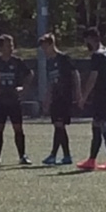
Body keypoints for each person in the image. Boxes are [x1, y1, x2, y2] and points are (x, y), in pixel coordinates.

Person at [77, 27, 106, 171]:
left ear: (90, 39)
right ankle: (91, 159)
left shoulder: (97, 55)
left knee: (104, 126)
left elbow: (93, 77)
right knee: (96, 125)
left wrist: (84, 97)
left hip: (101, 96)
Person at [0, 34, 34, 167]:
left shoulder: (17, 61)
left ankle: (22, 155)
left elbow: (29, 74)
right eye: (8, 45)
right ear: (1, 47)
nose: (11, 47)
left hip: (14, 99)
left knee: (18, 128)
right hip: (0, 100)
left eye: (12, 45)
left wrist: (23, 88)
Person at [39, 33, 82, 166]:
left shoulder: (63, 58)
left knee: (59, 125)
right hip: (55, 97)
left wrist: (78, 93)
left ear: (52, 44)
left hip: (64, 96)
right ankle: (64, 156)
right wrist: (47, 98)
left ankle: (56, 155)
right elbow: (51, 82)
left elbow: (75, 74)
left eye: (45, 47)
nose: (44, 51)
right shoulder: (49, 62)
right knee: (58, 126)